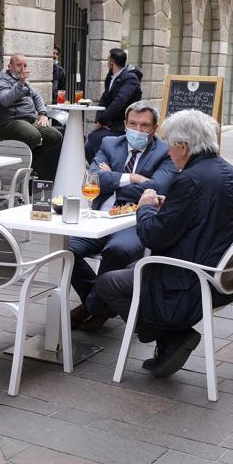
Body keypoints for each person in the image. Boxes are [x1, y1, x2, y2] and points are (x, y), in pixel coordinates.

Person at [95, 110, 233, 378]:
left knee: (108, 282)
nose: (168, 151)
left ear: (183, 147)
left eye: (169, 145)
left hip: (189, 279)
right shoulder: (228, 171)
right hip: (222, 274)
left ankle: (170, 336)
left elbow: (153, 236)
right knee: (130, 264)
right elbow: (201, 214)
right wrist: (168, 207)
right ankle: (170, 339)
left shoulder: (189, 179)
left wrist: (145, 208)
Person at [69, 101, 176, 331]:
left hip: (136, 221)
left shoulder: (165, 152)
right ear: (125, 124)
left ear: (155, 128)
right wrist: (134, 178)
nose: (137, 130)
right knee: (66, 248)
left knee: (117, 251)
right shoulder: (110, 143)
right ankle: (99, 303)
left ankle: (90, 307)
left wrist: (113, 180)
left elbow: (157, 188)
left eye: (145, 126)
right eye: (133, 124)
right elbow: (93, 178)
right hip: (100, 216)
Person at [0, 53, 63, 179]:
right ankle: (20, 166)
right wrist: (20, 84)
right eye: (19, 65)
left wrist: (43, 114)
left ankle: (26, 164)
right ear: (10, 66)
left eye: (25, 65)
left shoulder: (26, 83)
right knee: (33, 135)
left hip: (29, 120)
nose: (23, 68)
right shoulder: (2, 82)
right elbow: (5, 100)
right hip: (10, 121)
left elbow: (37, 97)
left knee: (55, 136)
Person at [85, 48, 143, 162]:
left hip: (123, 125)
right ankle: (99, 170)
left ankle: (105, 170)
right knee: (89, 145)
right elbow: (104, 99)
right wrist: (99, 120)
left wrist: (103, 121)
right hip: (110, 124)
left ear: (111, 63)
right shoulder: (111, 77)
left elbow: (119, 102)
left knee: (93, 139)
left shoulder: (131, 78)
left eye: (107, 60)